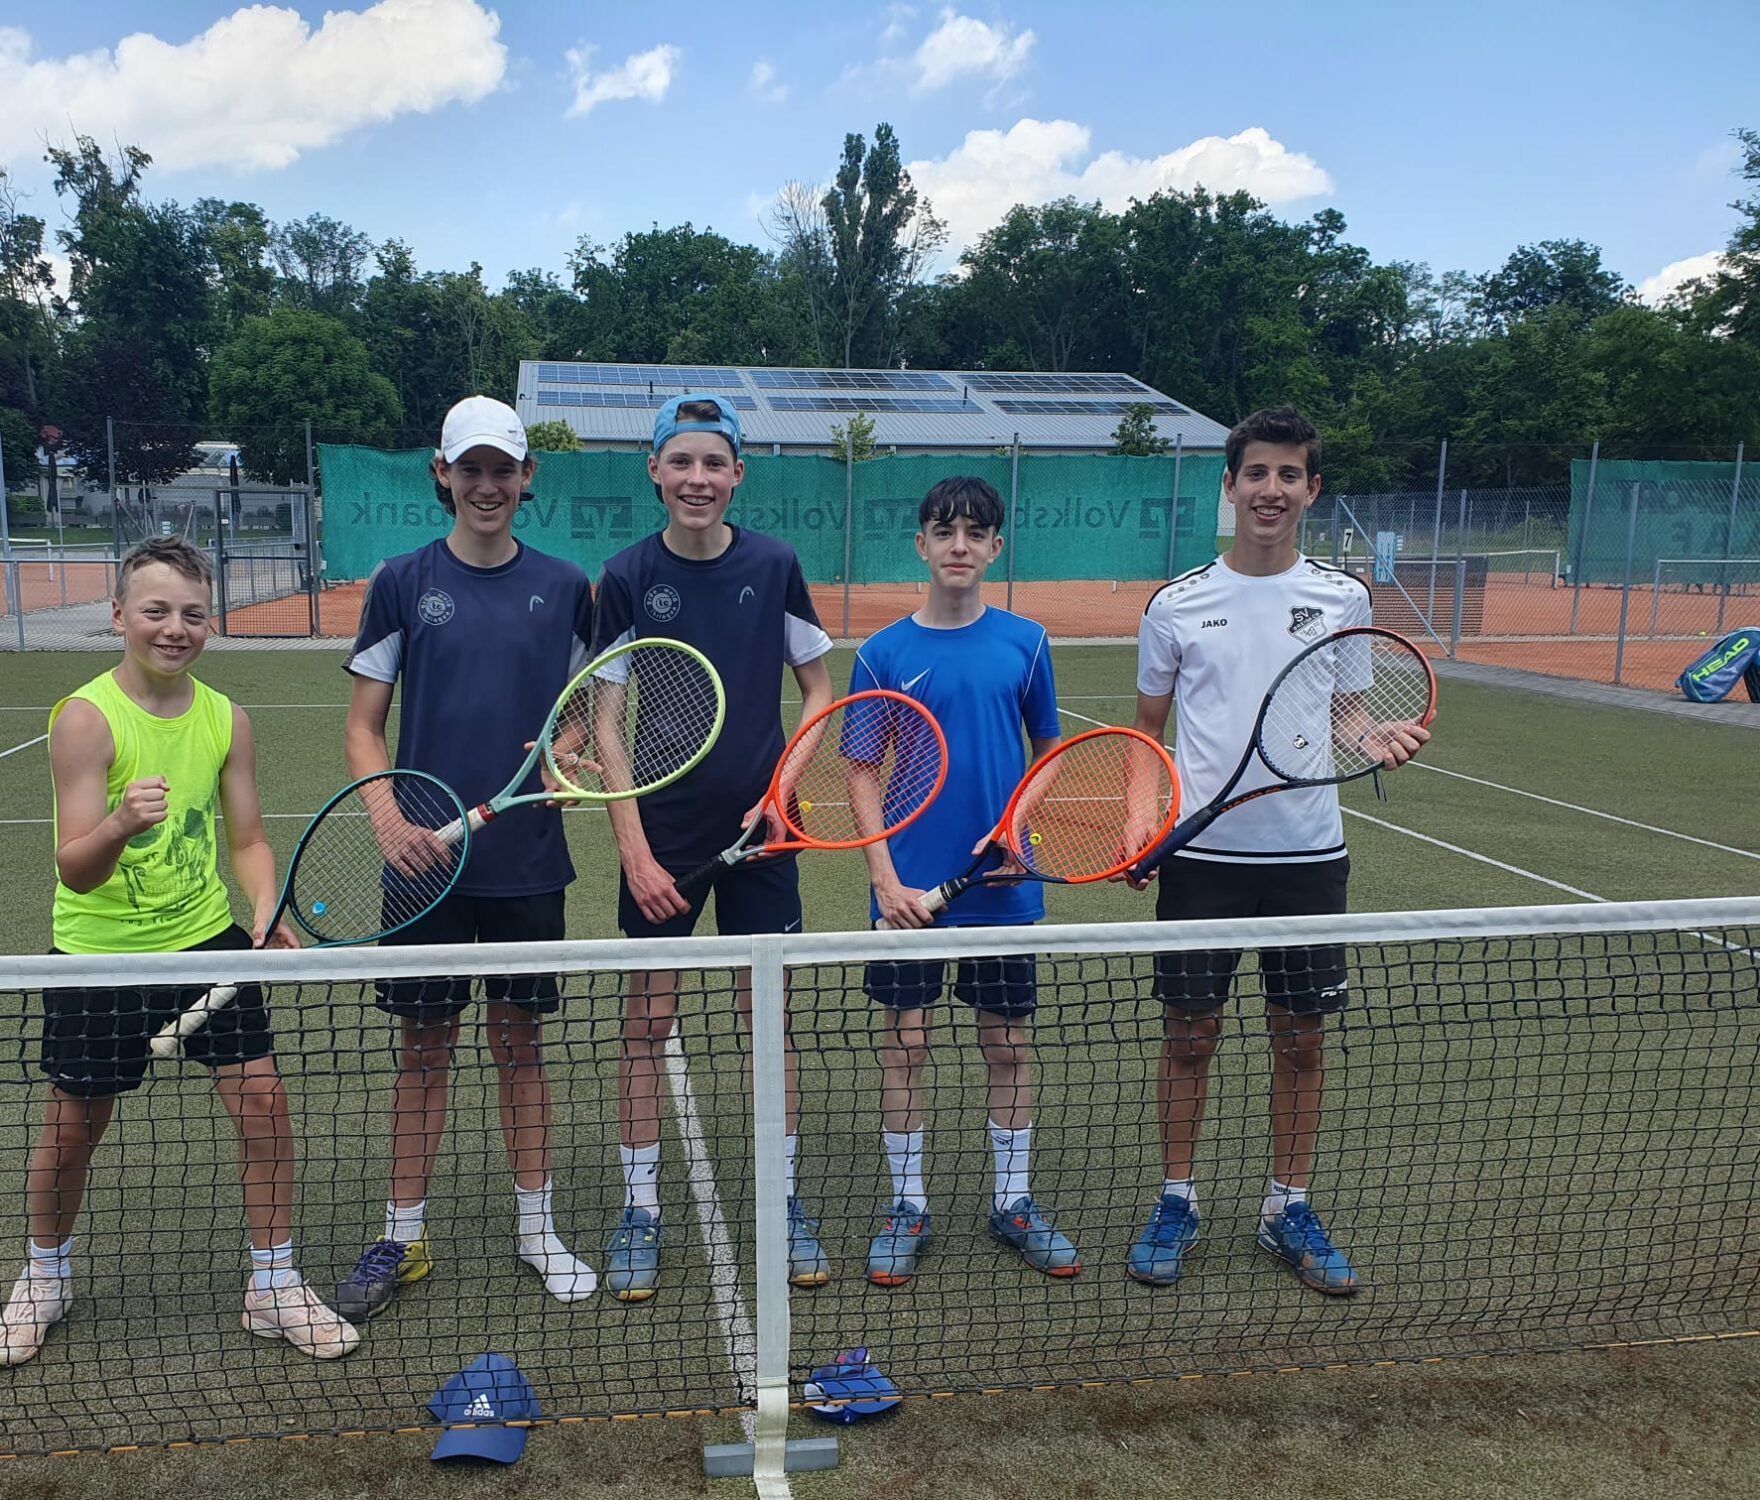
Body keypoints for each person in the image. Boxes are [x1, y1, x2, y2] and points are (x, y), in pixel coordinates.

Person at [0, 537, 358, 1367]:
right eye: (155, 611)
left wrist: (262, 911)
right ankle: (44, 1277)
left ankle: (273, 1285)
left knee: (264, 1104)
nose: (174, 628)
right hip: (101, 956)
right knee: (76, 1126)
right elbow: (75, 871)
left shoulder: (227, 718)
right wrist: (118, 823)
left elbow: (251, 841)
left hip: (206, 941)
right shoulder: (86, 718)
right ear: (120, 616)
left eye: (191, 613)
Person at [1122, 406, 1430, 1296]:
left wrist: (1372, 739)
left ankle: (1286, 1206)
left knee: (1300, 1040)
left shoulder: (1344, 597)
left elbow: (1347, 712)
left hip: (1307, 857)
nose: (1271, 490)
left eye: (1289, 475)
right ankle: (1177, 1198)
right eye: (1256, 473)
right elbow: (1149, 734)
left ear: (1312, 490)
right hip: (1203, 860)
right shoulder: (1176, 604)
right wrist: (1146, 820)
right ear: (1230, 485)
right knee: (1189, 1036)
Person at [333, 396, 598, 1320]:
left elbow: (576, 714)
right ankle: (402, 1234)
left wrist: (567, 755)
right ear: (441, 474)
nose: (487, 486)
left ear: (528, 479)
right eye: (470, 468)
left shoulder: (569, 587)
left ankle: (537, 1231)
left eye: (504, 469)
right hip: (423, 869)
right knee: (422, 1050)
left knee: (522, 1048)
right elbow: (364, 729)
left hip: (529, 862)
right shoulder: (401, 581)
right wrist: (386, 822)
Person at [595, 394, 835, 1299]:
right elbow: (606, 722)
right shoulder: (622, 576)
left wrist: (783, 792)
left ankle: (782, 1202)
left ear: (738, 474)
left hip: (765, 829)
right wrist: (635, 850)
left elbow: (818, 691)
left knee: (763, 1019)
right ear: (655, 471)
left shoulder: (776, 565)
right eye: (681, 462)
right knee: (646, 1023)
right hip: (662, 829)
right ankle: (639, 1211)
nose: (698, 479)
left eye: (714, 464)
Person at [850, 476, 1072, 1286]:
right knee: (905, 1047)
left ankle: (1013, 1201)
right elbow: (861, 769)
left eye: (976, 533)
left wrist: (1021, 829)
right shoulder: (883, 653)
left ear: (995, 548)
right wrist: (884, 880)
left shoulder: (1029, 641)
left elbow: (1047, 750)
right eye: (944, 531)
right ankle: (906, 1205)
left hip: (1003, 888)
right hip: (909, 892)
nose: (959, 545)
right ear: (921, 544)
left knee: (1006, 1046)